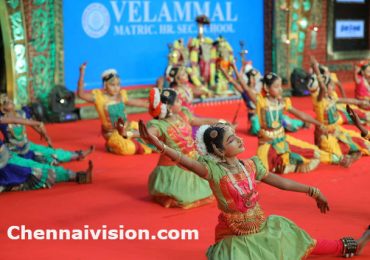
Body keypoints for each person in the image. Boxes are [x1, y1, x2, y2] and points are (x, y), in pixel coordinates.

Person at [139, 120, 370, 259]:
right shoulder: (212, 171)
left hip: (261, 226)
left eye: (235, 136)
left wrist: (312, 190)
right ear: (219, 151)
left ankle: (351, 245)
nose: (239, 140)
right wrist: (159, 145)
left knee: (302, 242)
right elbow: (184, 160)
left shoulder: (250, 165)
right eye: (231, 140)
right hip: (235, 237)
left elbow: (280, 181)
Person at [222, 62, 338, 173]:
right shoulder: (261, 102)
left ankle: (337, 159)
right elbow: (246, 89)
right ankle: (285, 166)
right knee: (263, 170)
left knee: (312, 152)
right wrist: (235, 69)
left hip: (282, 141)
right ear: (267, 88)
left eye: (280, 86)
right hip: (267, 144)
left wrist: (318, 123)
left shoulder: (283, 102)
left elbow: (300, 114)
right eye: (276, 86)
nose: (280, 89)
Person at [141, 88, 227, 208]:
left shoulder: (182, 115)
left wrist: (221, 122)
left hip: (193, 158)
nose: (180, 101)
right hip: (174, 165)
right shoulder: (160, 125)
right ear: (169, 108)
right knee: (186, 197)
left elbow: (200, 120)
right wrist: (130, 133)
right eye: (177, 101)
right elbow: (147, 133)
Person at [77, 63, 152, 155]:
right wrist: (82, 73)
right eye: (112, 85)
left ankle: (134, 141)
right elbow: (81, 94)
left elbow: (139, 103)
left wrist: (150, 105)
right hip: (113, 134)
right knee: (129, 149)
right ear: (105, 85)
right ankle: (112, 146)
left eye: (118, 84)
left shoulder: (121, 96)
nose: (116, 88)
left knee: (149, 134)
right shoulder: (99, 98)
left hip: (127, 129)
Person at [0, 94, 93, 164]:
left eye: (10, 100)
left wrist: (45, 136)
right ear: (2, 108)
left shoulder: (22, 113)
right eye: (7, 102)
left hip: (27, 145)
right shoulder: (2, 120)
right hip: (13, 151)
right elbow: (27, 122)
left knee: (51, 152)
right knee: (36, 163)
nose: (11, 102)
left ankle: (77, 155)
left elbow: (34, 126)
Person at [310, 57, 370, 162]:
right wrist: (316, 68)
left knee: (362, 144)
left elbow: (343, 100)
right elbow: (323, 88)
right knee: (336, 157)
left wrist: (360, 102)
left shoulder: (331, 96)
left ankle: (351, 152)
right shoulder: (319, 101)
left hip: (337, 130)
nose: (333, 87)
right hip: (326, 135)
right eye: (331, 85)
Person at [0, 140, 93, 192]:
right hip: (8, 166)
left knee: (44, 157)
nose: (9, 104)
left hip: (11, 156)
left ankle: (78, 169)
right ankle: (78, 176)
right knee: (40, 170)